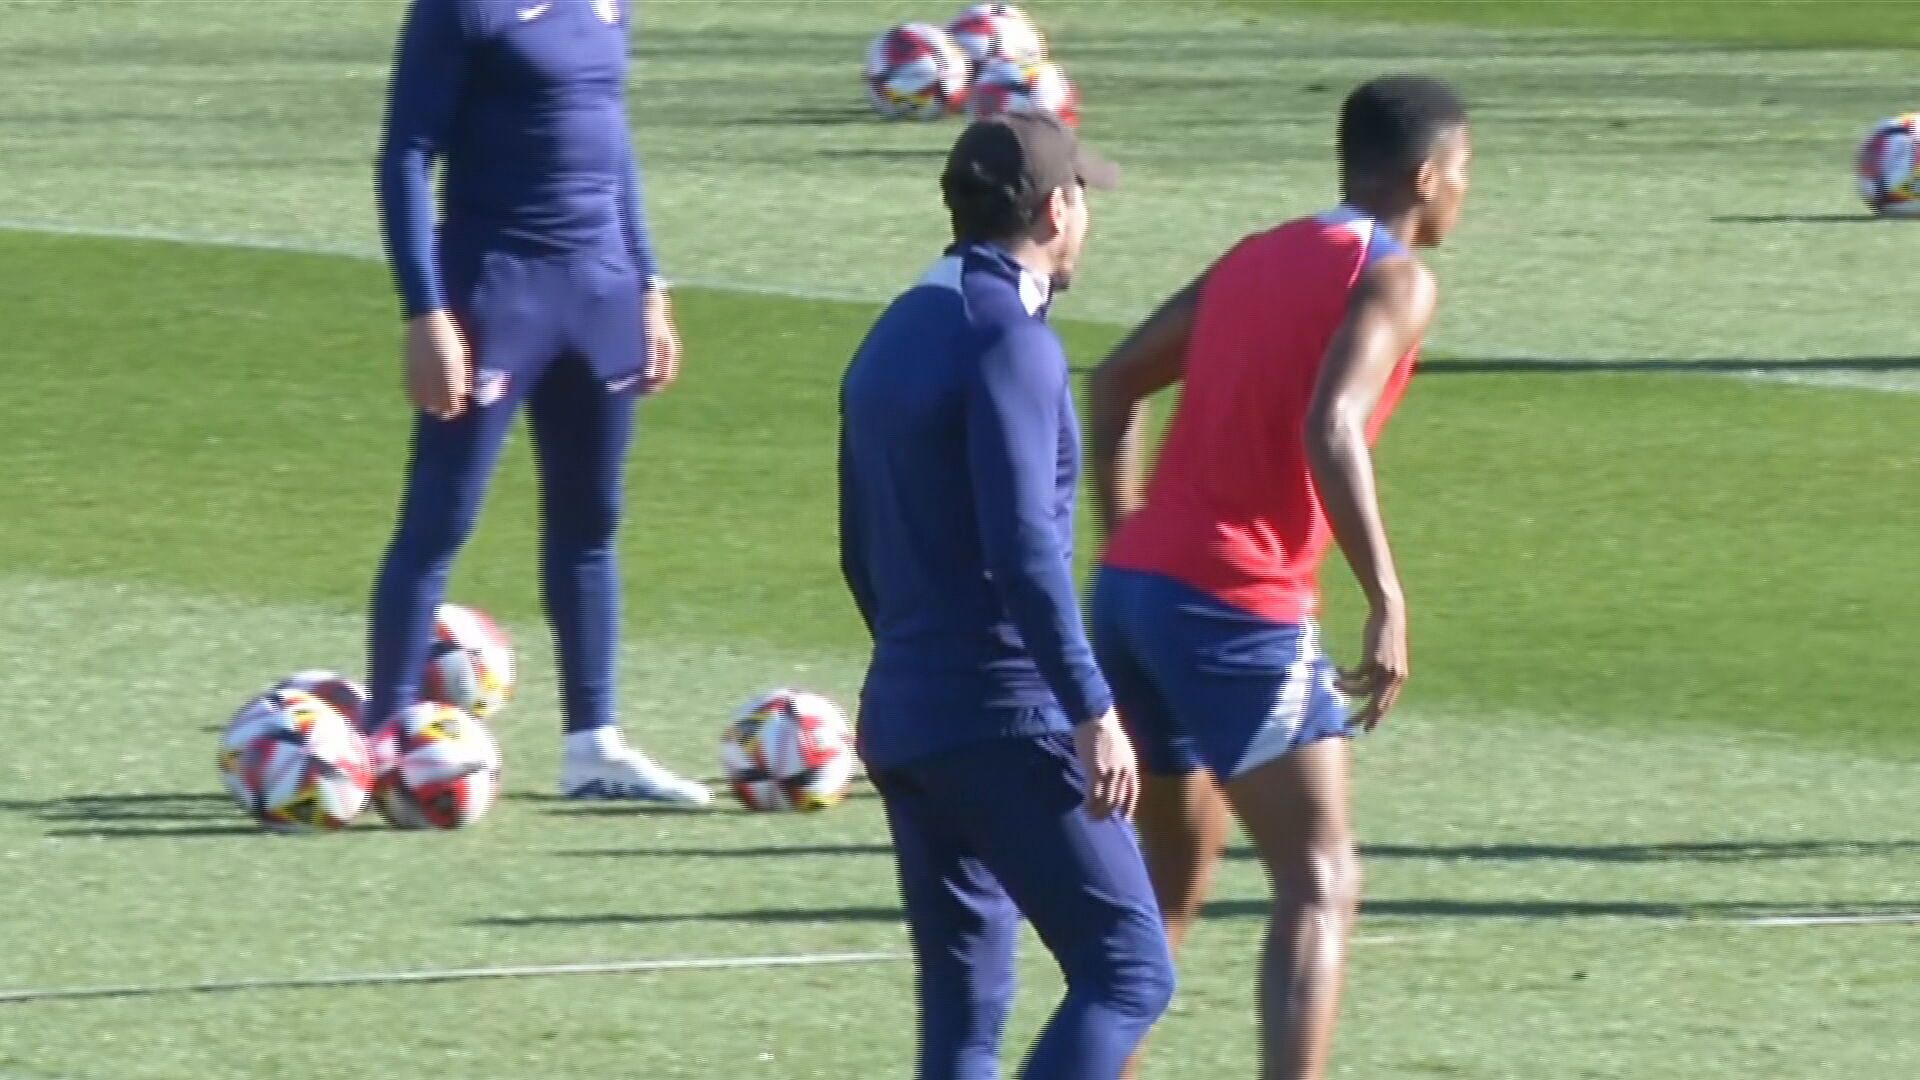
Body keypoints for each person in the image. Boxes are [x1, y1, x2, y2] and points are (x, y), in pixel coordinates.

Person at [1085, 75, 1472, 1079]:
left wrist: (1133, 537)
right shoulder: (1396, 280)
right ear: (1428, 176)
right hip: (1235, 605)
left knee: (1168, 885)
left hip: (1133, 594)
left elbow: (1118, 376)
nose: (1465, 196)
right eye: (1465, 174)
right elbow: (1331, 427)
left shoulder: (1258, 253)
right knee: (1321, 878)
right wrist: (1387, 598)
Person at [838, 113, 1175, 1080]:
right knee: (1128, 975)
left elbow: (859, 547)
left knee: (963, 1021)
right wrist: (1090, 706)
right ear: (1058, 208)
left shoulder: (895, 332)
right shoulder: (1012, 344)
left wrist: (918, 667)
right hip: (1007, 715)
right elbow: (1026, 550)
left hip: (906, 713)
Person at [368, 0, 709, 805]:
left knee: (591, 520)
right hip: (496, 292)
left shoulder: (609, 6)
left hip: (600, 294)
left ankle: (593, 744)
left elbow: (613, 139)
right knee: (440, 519)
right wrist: (426, 310)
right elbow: (407, 155)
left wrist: (651, 282)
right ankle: (386, 740)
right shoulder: (463, 9)